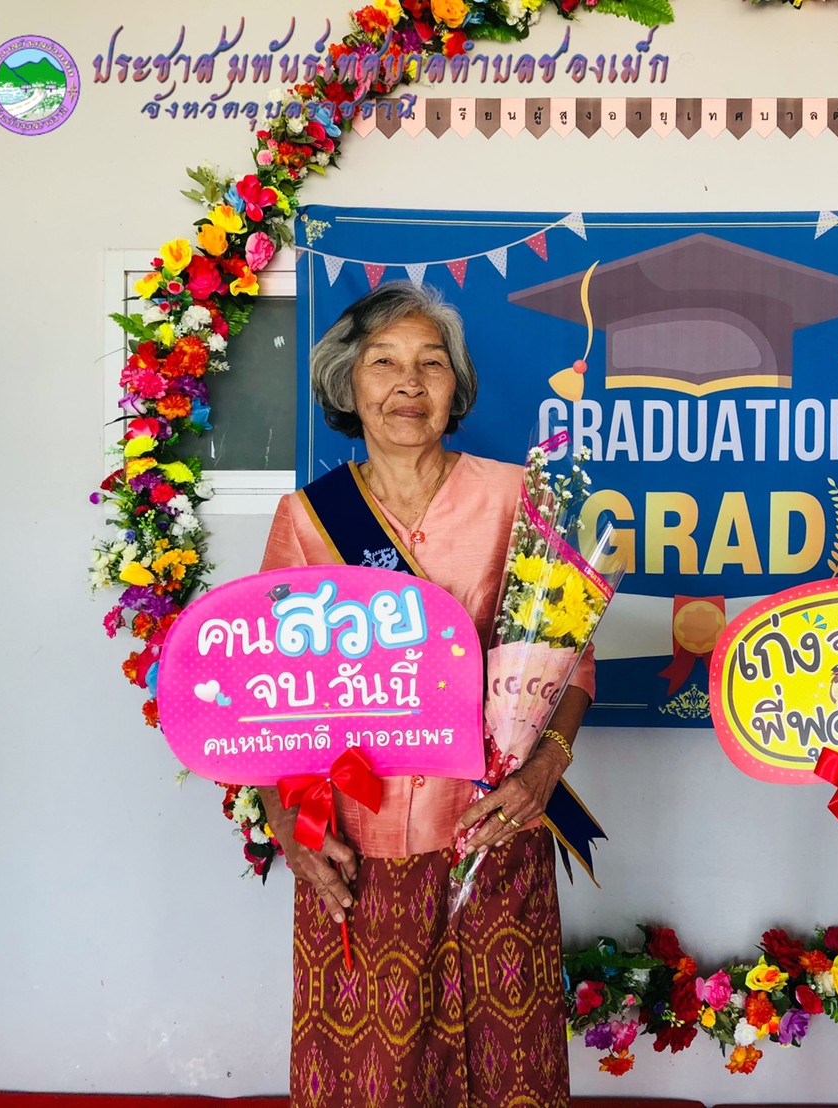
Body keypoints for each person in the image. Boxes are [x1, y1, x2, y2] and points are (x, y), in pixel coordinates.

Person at [258, 282, 592, 1108]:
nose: (409, 383)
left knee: (507, 1075)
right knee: (368, 1080)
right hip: (355, 849)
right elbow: (266, 701)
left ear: (456, 386)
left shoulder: (518, 497)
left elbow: (574, 660)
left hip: (492, 835)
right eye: (384, 362)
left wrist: (544, 770)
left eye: (431, 364)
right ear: (349, 384)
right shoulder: (309, 519)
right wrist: (287, 827)